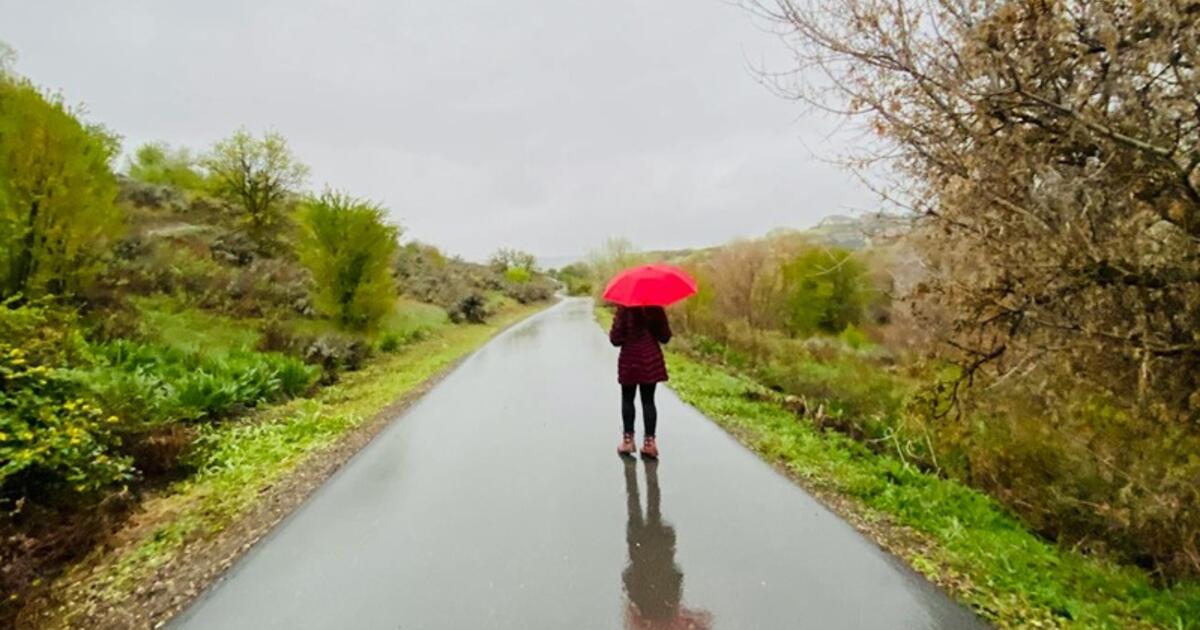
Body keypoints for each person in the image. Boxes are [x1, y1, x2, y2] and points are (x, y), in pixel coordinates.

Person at [609, 305, 672, 457]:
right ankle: (650, 444)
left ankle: (628, 442)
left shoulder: (624, 308)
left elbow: (615, 339)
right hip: (650, 358)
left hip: (630, 358)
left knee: (627, 399)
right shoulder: (655, 307)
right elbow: (665, 336)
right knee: (648, 400)